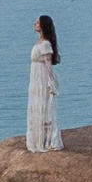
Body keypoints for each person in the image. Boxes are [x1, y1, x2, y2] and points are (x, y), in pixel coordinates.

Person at [26, 15, 63, 153]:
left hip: (41, 77)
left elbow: (48, 64)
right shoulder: (40, 42)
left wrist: (50, 80)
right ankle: (37, 138)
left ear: (43, 26)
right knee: (36, 105)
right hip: (36, 77)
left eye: (37, 22)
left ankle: (46, 139)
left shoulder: (45, 44)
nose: (35, 23)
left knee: (43, 105)